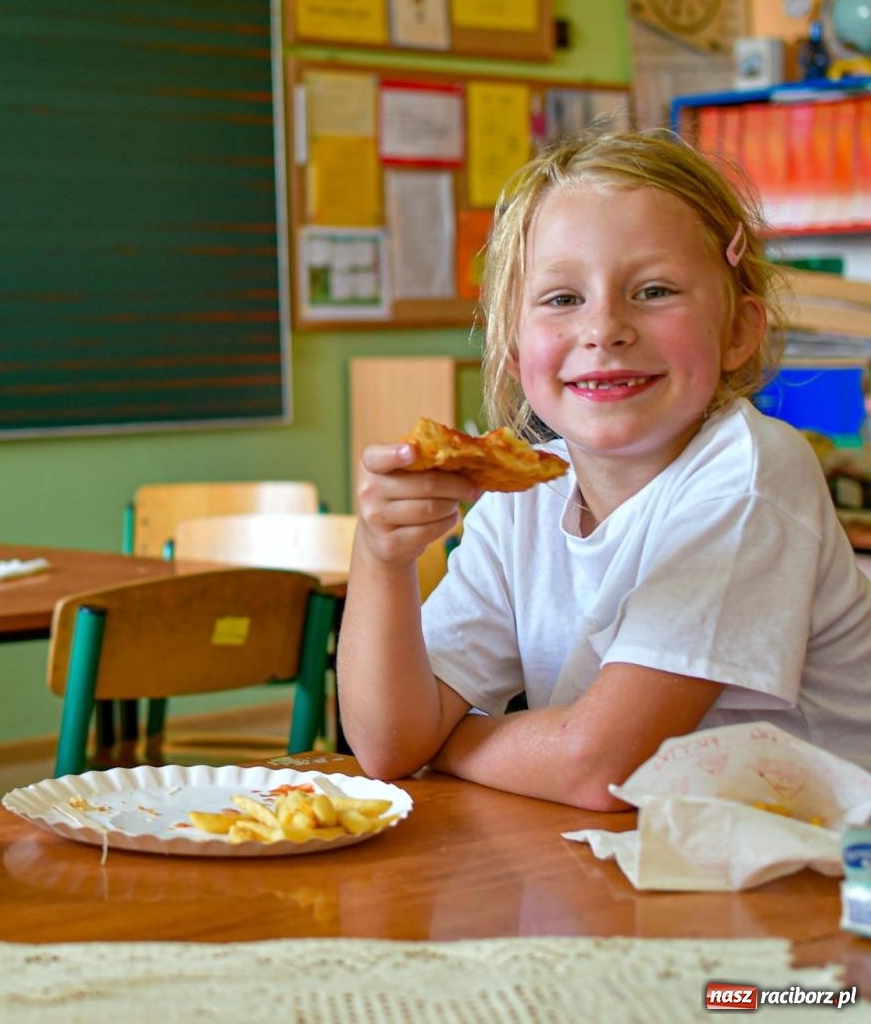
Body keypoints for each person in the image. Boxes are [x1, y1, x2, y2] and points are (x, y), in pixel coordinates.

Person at [338, 130, 871, 810]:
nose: (605, 329)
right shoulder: (524, 496)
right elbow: (387, 745)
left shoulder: (751, 473)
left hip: (814, 880)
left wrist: (450, 745)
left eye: (653, 290)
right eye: (562, 299)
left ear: (739, 330)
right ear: (511, 347)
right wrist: (381, 558)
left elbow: (600, 767)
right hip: (647, 873)